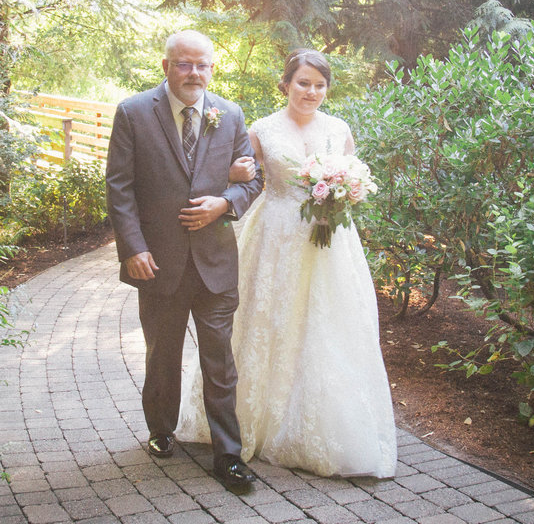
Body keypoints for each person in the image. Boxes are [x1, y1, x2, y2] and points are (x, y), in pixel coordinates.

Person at [175, 48, 397, 478]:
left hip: (331, 244)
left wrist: (346, 191)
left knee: (325, 325)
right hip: (274, 237)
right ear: (286, 84)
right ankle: (249, 420)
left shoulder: (340, 130)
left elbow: (354, 176)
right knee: (269, 322)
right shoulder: (261, 129)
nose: (311, 92)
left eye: (319, 85)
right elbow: (241, 177)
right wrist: (234, 178)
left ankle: (322, 422)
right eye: (303, 83)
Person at [105, 30, 264, 493]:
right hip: (159, 262)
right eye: (184, 64)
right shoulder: (134, 112)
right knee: (162, 356)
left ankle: (228, 455)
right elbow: (120, 188)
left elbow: (251, 181)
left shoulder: (229, 114)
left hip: (215, 262)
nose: (194, 73)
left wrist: (225, 202)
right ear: (166, 66)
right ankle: (160, 429)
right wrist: (133, 248)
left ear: (212, 68)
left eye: (202, 65)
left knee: (219, 360)